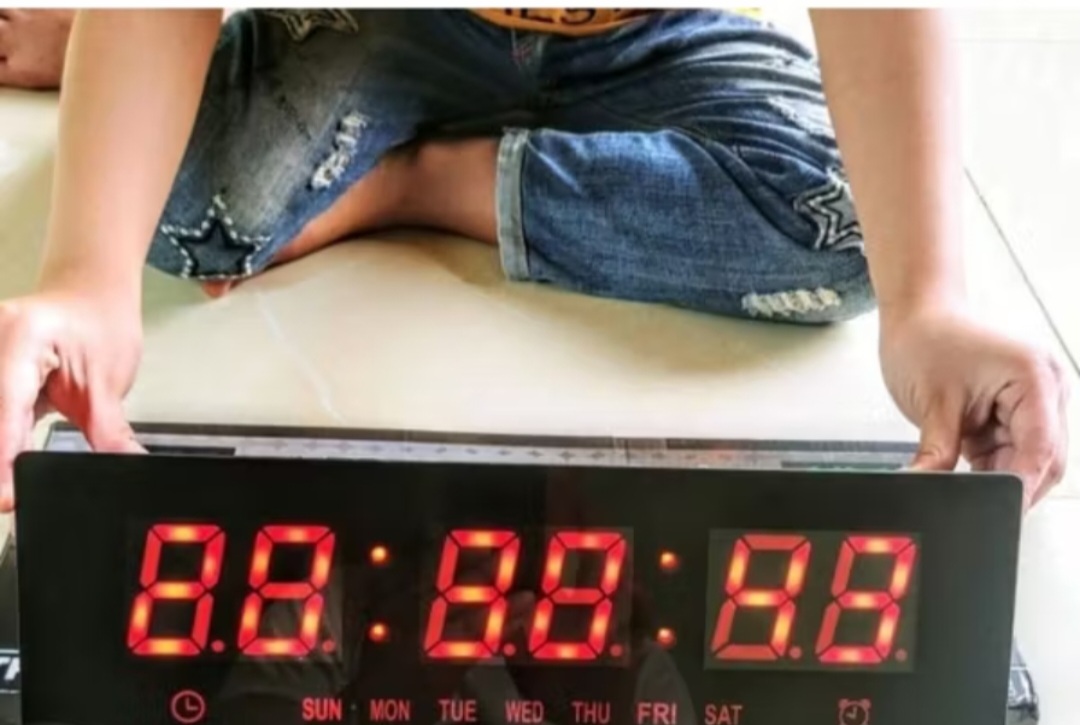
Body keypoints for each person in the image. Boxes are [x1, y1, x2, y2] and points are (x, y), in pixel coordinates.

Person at [0, 9, 1067, 513]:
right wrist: (85, 283)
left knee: (841, 240)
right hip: (395, 23)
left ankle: (409, 180)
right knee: (191, 215)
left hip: (665, 38)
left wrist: (929, 302)